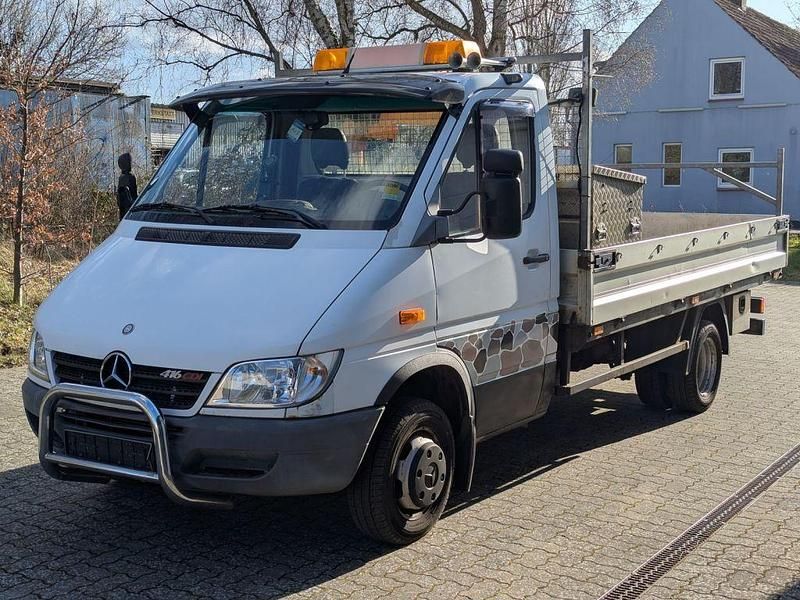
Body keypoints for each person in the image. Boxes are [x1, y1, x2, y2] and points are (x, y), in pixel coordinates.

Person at [117, 153, 138, 219]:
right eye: (129, 162)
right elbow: (130, 197)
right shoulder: (129, 178)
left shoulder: (122, 177)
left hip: (124, 212)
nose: (130, 164)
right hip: (128, 212)